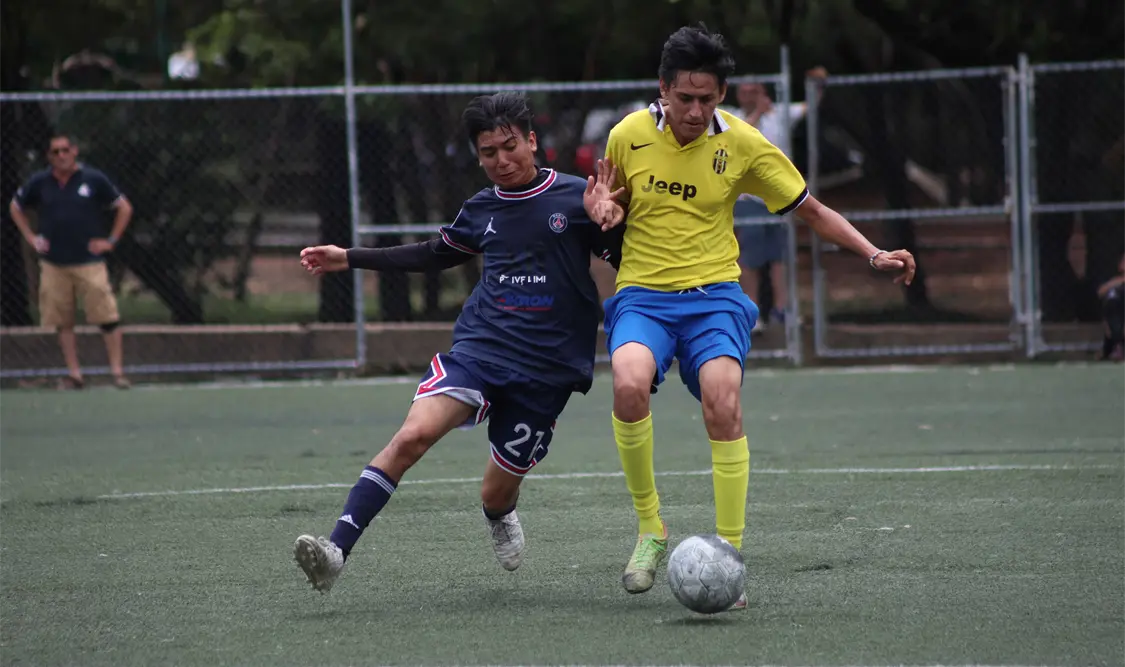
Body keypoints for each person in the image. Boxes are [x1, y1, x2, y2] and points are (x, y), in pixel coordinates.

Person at [586, 24, 916, 608]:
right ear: (662, 89)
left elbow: (811, 209)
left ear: (722, 95)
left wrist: (872, 253)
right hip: (643, 294)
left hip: (715, 297)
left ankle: (729, 556)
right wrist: (605, 209)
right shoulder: (627, 136)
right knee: (629, 384)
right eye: (684, 97)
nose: (695, 111)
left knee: (723, 399)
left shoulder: (743, 144)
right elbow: (615, 204)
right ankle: (650, 529)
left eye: (707, 98)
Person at [291, 92, 625, 593]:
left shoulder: (577, 198)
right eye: (488, 152)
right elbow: (432, 253)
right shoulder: (481, 208)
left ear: (532, 141)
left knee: (495, 491)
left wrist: (612, 221)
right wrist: (349, 257)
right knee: (412, 436)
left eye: (510, 147)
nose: (501, 160)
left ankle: (499, 513)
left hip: (547, 369)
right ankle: (336, 551)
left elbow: (625, 256)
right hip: (482, 349)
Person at [8, 134, 134, 389]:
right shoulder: (40, 182)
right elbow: (15, 206)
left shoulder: (93, 179)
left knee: (107, 316)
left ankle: (117, 372)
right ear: (49, 157)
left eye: (65, 150)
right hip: (54, 263)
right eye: (55, 152)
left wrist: (110, 241)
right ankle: (75, 374)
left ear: (74, 151)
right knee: (63, 321)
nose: (61, 156)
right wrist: (31, 237)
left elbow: (124, 207)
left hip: (89, 261)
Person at [734, 69, 826, 330]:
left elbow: (810, 105)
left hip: (778, 198)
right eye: (744, 92)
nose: (748, 96)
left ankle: (782, 310)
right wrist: (758, 112)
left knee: (780, 256)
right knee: (749, 257)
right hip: (747, 199)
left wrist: (818, 83)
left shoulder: (780, 114)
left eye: (753, 91)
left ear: (763, 91)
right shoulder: (732, 118)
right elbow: (739, 138)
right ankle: (752, 313)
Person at [1098, 248, 1125, 361]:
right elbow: (1101, 292)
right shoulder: (1115, 282)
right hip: (1115, 319)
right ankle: (1116, 346)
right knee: (1112, 300)